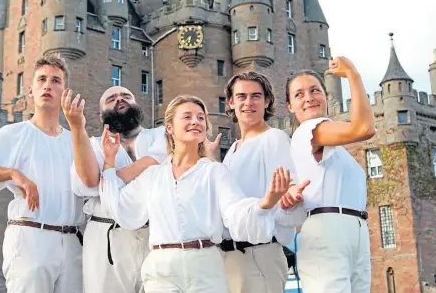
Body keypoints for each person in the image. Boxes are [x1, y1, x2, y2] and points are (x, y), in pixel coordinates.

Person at [99, 95, 292, 293]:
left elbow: (235, 211)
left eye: (201, 118)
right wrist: (109, 161)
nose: (195, 122)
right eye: (187, 116)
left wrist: (266, 203)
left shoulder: (215, 172)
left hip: (205, 268)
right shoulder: (152, 176)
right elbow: (119, 205)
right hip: (161, 270)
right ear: (170, 127)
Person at [0, 52, 85, 293]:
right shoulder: (14, 135)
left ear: (65, 91)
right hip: (31, 239)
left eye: (56, 81)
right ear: (31, 90)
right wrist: (12, 173)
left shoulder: (76, 141)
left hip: (74, 243)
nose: (48, 85)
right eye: (42, 79)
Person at [284, 57, 375, 293]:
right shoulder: (308, 131)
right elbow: (363, 128)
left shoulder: (335, 148)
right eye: (299, 94)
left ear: (326, 96)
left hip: (355, 228)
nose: (309, 97)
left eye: (315, 90)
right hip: (327, 230)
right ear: (290, 107)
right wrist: (353, 75)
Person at [63, 86, 167, 293]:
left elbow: (159, 162)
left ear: (137, 105)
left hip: (157, 233)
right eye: (111, 98)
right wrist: (77, 129)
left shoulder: (162, 134)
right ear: (101, 117)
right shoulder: (91, 145)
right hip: (107, 235)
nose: (120, 99)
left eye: (126, 96)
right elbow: (88, 182)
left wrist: (108, 177)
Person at [221, 71, 310, 293]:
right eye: (241, 96)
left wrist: (289, 198)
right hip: (231, 257)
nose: (248, 102)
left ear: (267, 100)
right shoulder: (233, 149)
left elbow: (287, 195)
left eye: (256, 96)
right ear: (231, 102)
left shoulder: (274, 138)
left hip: (260, 254)